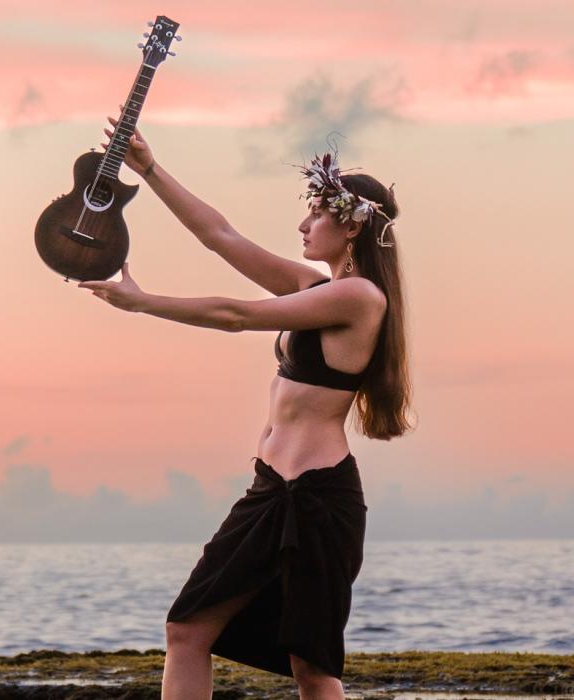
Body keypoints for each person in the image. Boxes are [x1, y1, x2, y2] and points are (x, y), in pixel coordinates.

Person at [79, 116, 414, 700]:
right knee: (187, 629)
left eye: (317, 214)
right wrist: (150, 170)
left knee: (311, 666)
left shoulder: (360, 299)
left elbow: (238, 316)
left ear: (352, 227)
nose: (304, 224)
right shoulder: (315, 288)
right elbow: (221, 236)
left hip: (317, 497)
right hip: (269, 491)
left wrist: (142, 303)